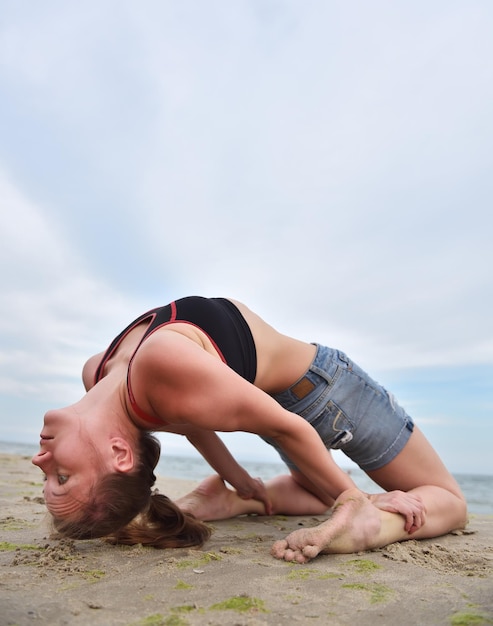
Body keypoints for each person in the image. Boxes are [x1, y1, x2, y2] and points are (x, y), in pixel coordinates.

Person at [32, 296, 467, 562]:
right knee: (450, 501)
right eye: (62, 477)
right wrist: (353, 498)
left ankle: (238, 500)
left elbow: (187, 420)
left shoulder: (99, 373)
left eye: (48, 477)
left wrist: (237, 479)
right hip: (321, 391)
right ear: (119, 454)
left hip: (283, 402)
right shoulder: (158, 365)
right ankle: (373, 526)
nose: (40, 460)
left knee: (317, 490)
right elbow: (286, 428)